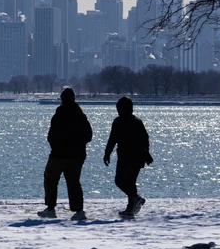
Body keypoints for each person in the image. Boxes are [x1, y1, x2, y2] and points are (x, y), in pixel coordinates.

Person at [38, 87, 93, 221]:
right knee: (74, 182)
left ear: (62, 100)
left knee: (50, 179)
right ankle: (79, 210)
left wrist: (56, 146)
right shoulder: (81, 115)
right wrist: (79, 145)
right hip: (77, 155)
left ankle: (51, 209)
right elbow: (89, 135)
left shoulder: (59, 115)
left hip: (59, 154)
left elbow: (51, 136)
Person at [103, 96, 153, 219]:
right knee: (130, 182)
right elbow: (145, 140)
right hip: (137, 156)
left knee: (120, 180)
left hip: (128, 156)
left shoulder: (119, 121)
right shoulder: (137, 121)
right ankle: (131, 207)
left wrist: (107, 153)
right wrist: (146, 154)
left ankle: (135, 200)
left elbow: (112, 139)